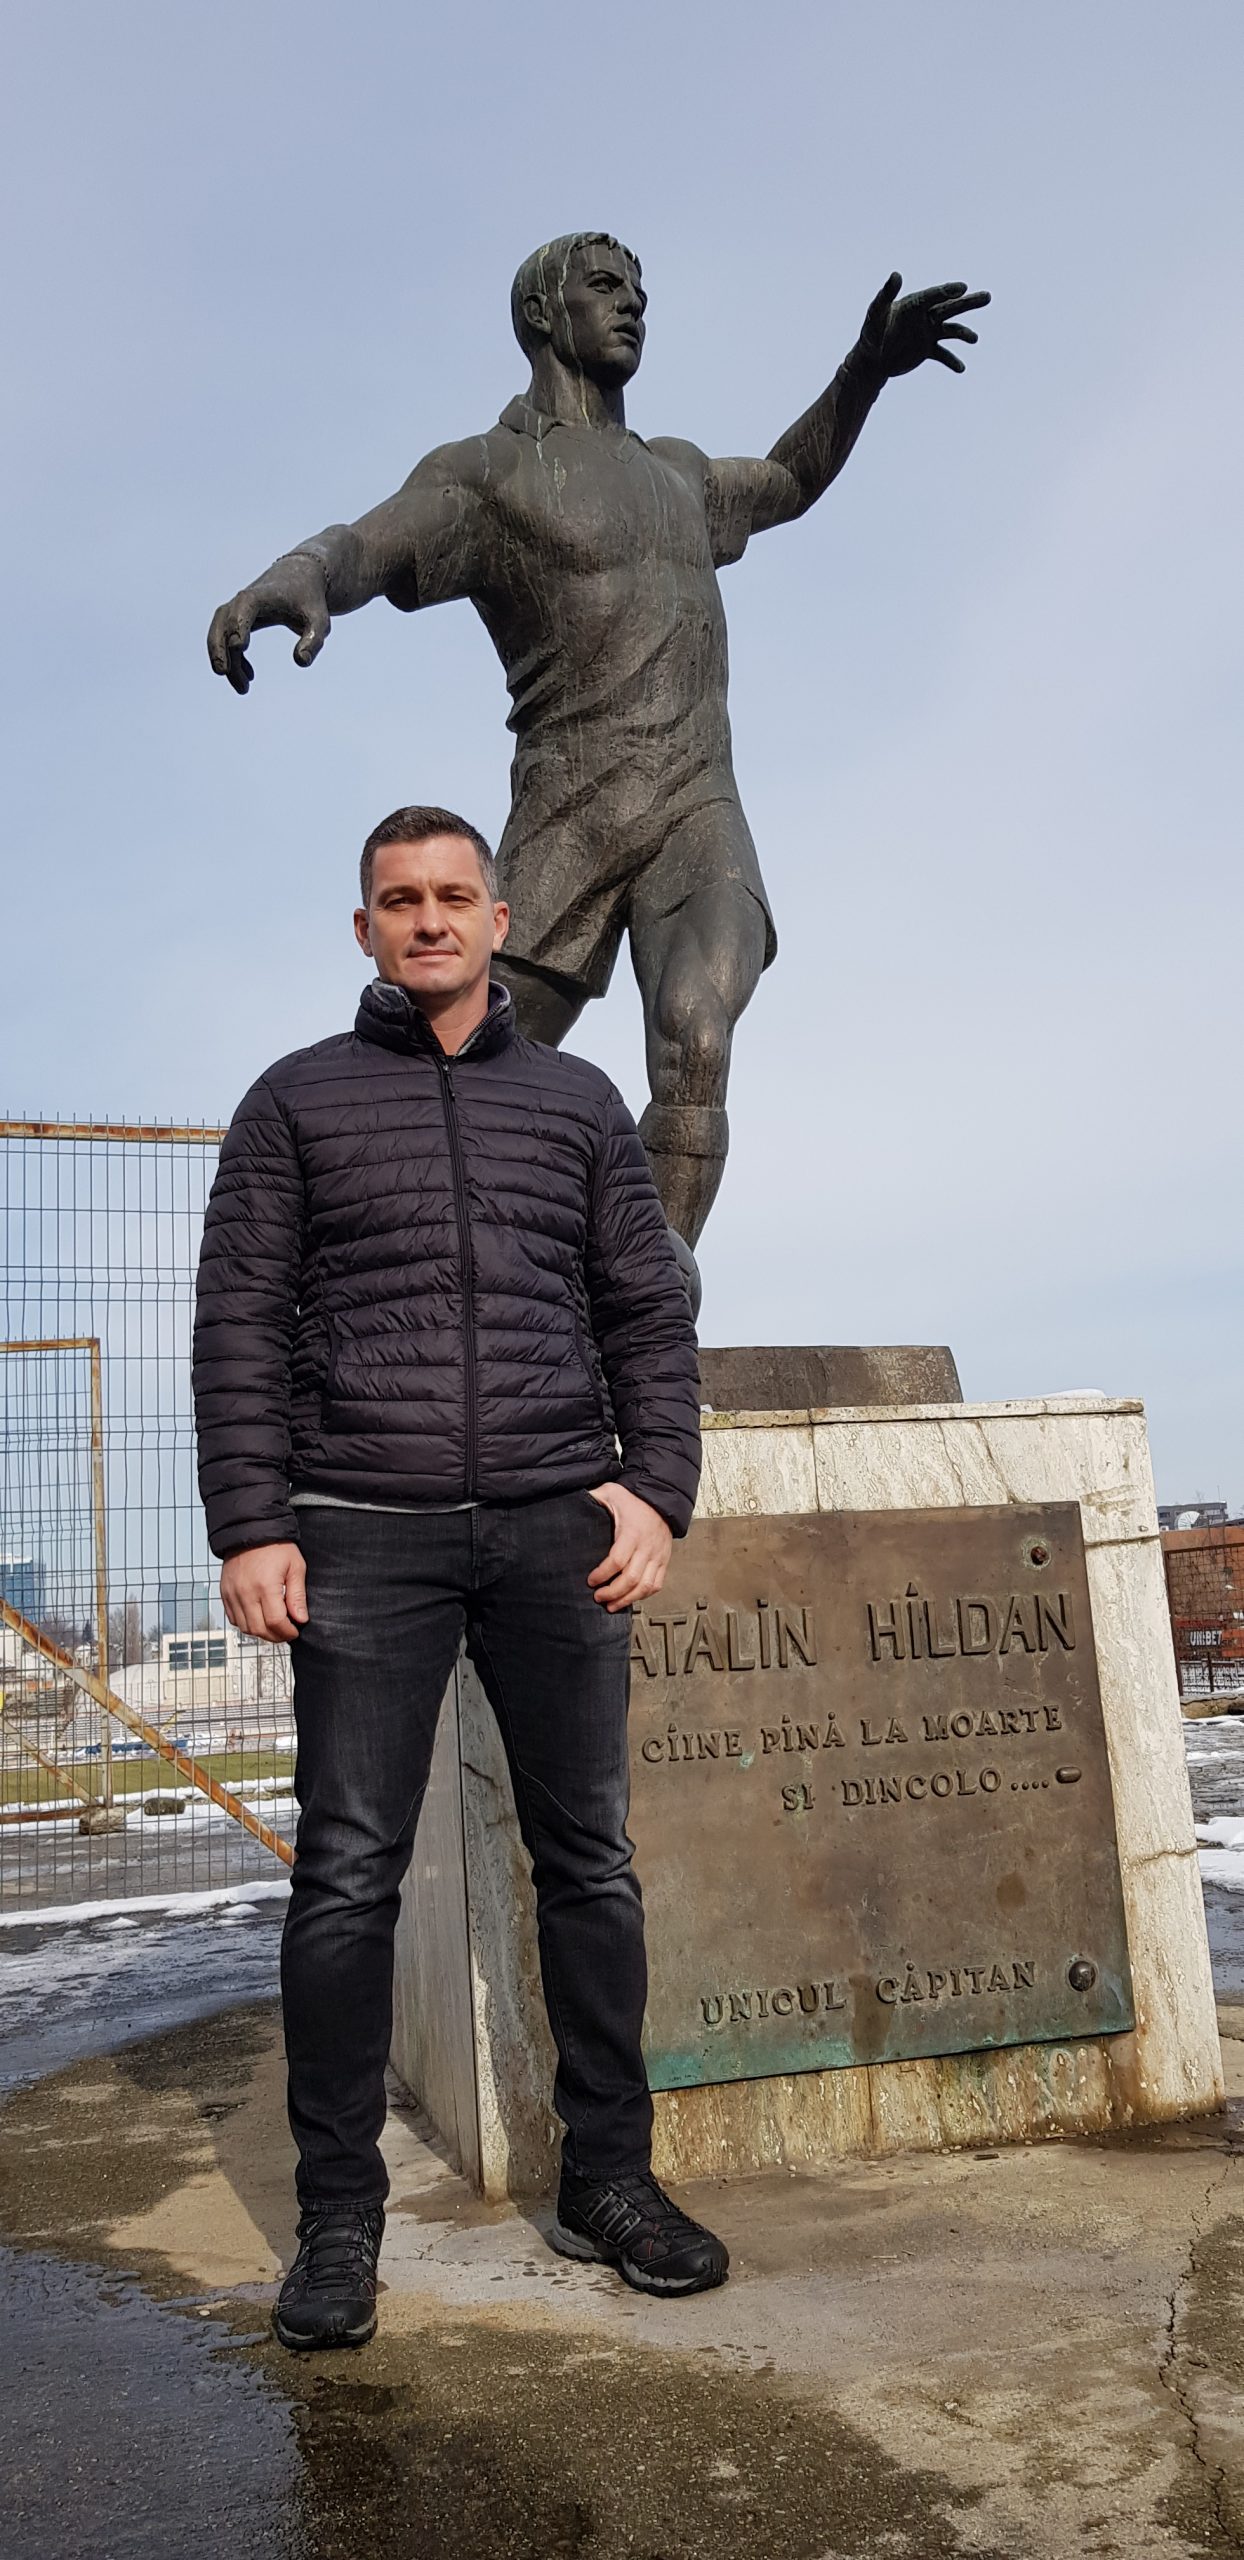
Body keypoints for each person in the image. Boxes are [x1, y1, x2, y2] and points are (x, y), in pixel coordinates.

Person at [192, 802, 728, 2352]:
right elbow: (241, 1319)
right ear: (364, 928)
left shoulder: (576, 1104)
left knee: (591, 1863)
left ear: (499, 922)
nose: (428, 919)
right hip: (361, 1529)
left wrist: (657, 1490)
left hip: (558, 1527)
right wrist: (252, 1521)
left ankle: (610, 2181)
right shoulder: (293, 1102)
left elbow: (646, 1309)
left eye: (452, 895)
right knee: (347, 1871)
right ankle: (338, 2220)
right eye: (399, 899)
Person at [208, 233, 988, 1253]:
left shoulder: (680, 475)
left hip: (696, 812)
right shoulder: (490, 474)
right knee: (458, 1074)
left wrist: (864, 372)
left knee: (696, 1032)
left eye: (640, 290)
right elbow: (371, 542)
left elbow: (789, 480)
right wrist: (302, 571)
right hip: (569, 818)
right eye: (606, 285)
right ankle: (409, 1260)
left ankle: (657, 1291)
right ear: (541, 313)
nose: (633, 304)